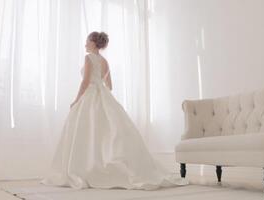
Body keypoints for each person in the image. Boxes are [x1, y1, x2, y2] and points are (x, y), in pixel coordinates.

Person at [42, 31, 188, 190]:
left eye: (87, 40)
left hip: (90, 95)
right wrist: (99, 86)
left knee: (88, 131)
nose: (85, 43)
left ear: (93, 42)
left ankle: (85, 167)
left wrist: (76, 100)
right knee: (106, 132)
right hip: (102, 94)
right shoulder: (104, 61)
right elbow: (109, 86)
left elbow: (85, 82)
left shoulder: (88, 58)